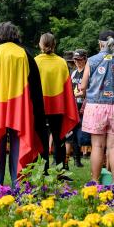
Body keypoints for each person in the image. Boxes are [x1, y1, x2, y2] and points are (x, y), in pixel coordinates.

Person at [0, 22, 45, 188]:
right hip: (20, 108)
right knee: (20, 141)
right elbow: (34, 86)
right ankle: (20, 181)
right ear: (15, 35)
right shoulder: (24, 54)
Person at [79, 30, 114, 184]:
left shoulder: (92, 61)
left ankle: (95, 181)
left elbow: (83, 85)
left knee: (97, 146)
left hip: (96, 107)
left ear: (100, 43)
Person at [35, 33, 79, 172]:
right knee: (59, 138)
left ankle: (43, 171)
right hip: (58, 105)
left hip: (40, 106)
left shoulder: (35, 61)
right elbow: (67, 87)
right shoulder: (61, 62)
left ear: (40, 44)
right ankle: (61, 171)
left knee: (41, 139)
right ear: (55, 45)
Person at [67, 49, 87, 168]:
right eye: (75, 60)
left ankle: (80, 157)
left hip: (85, 107)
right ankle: (75, 160)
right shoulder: (73, 73)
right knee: (72, 134)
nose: (77, 62)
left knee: (82, 135)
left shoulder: (88, 72)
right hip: (74, 106)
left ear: (85, 59)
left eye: (80, 59)